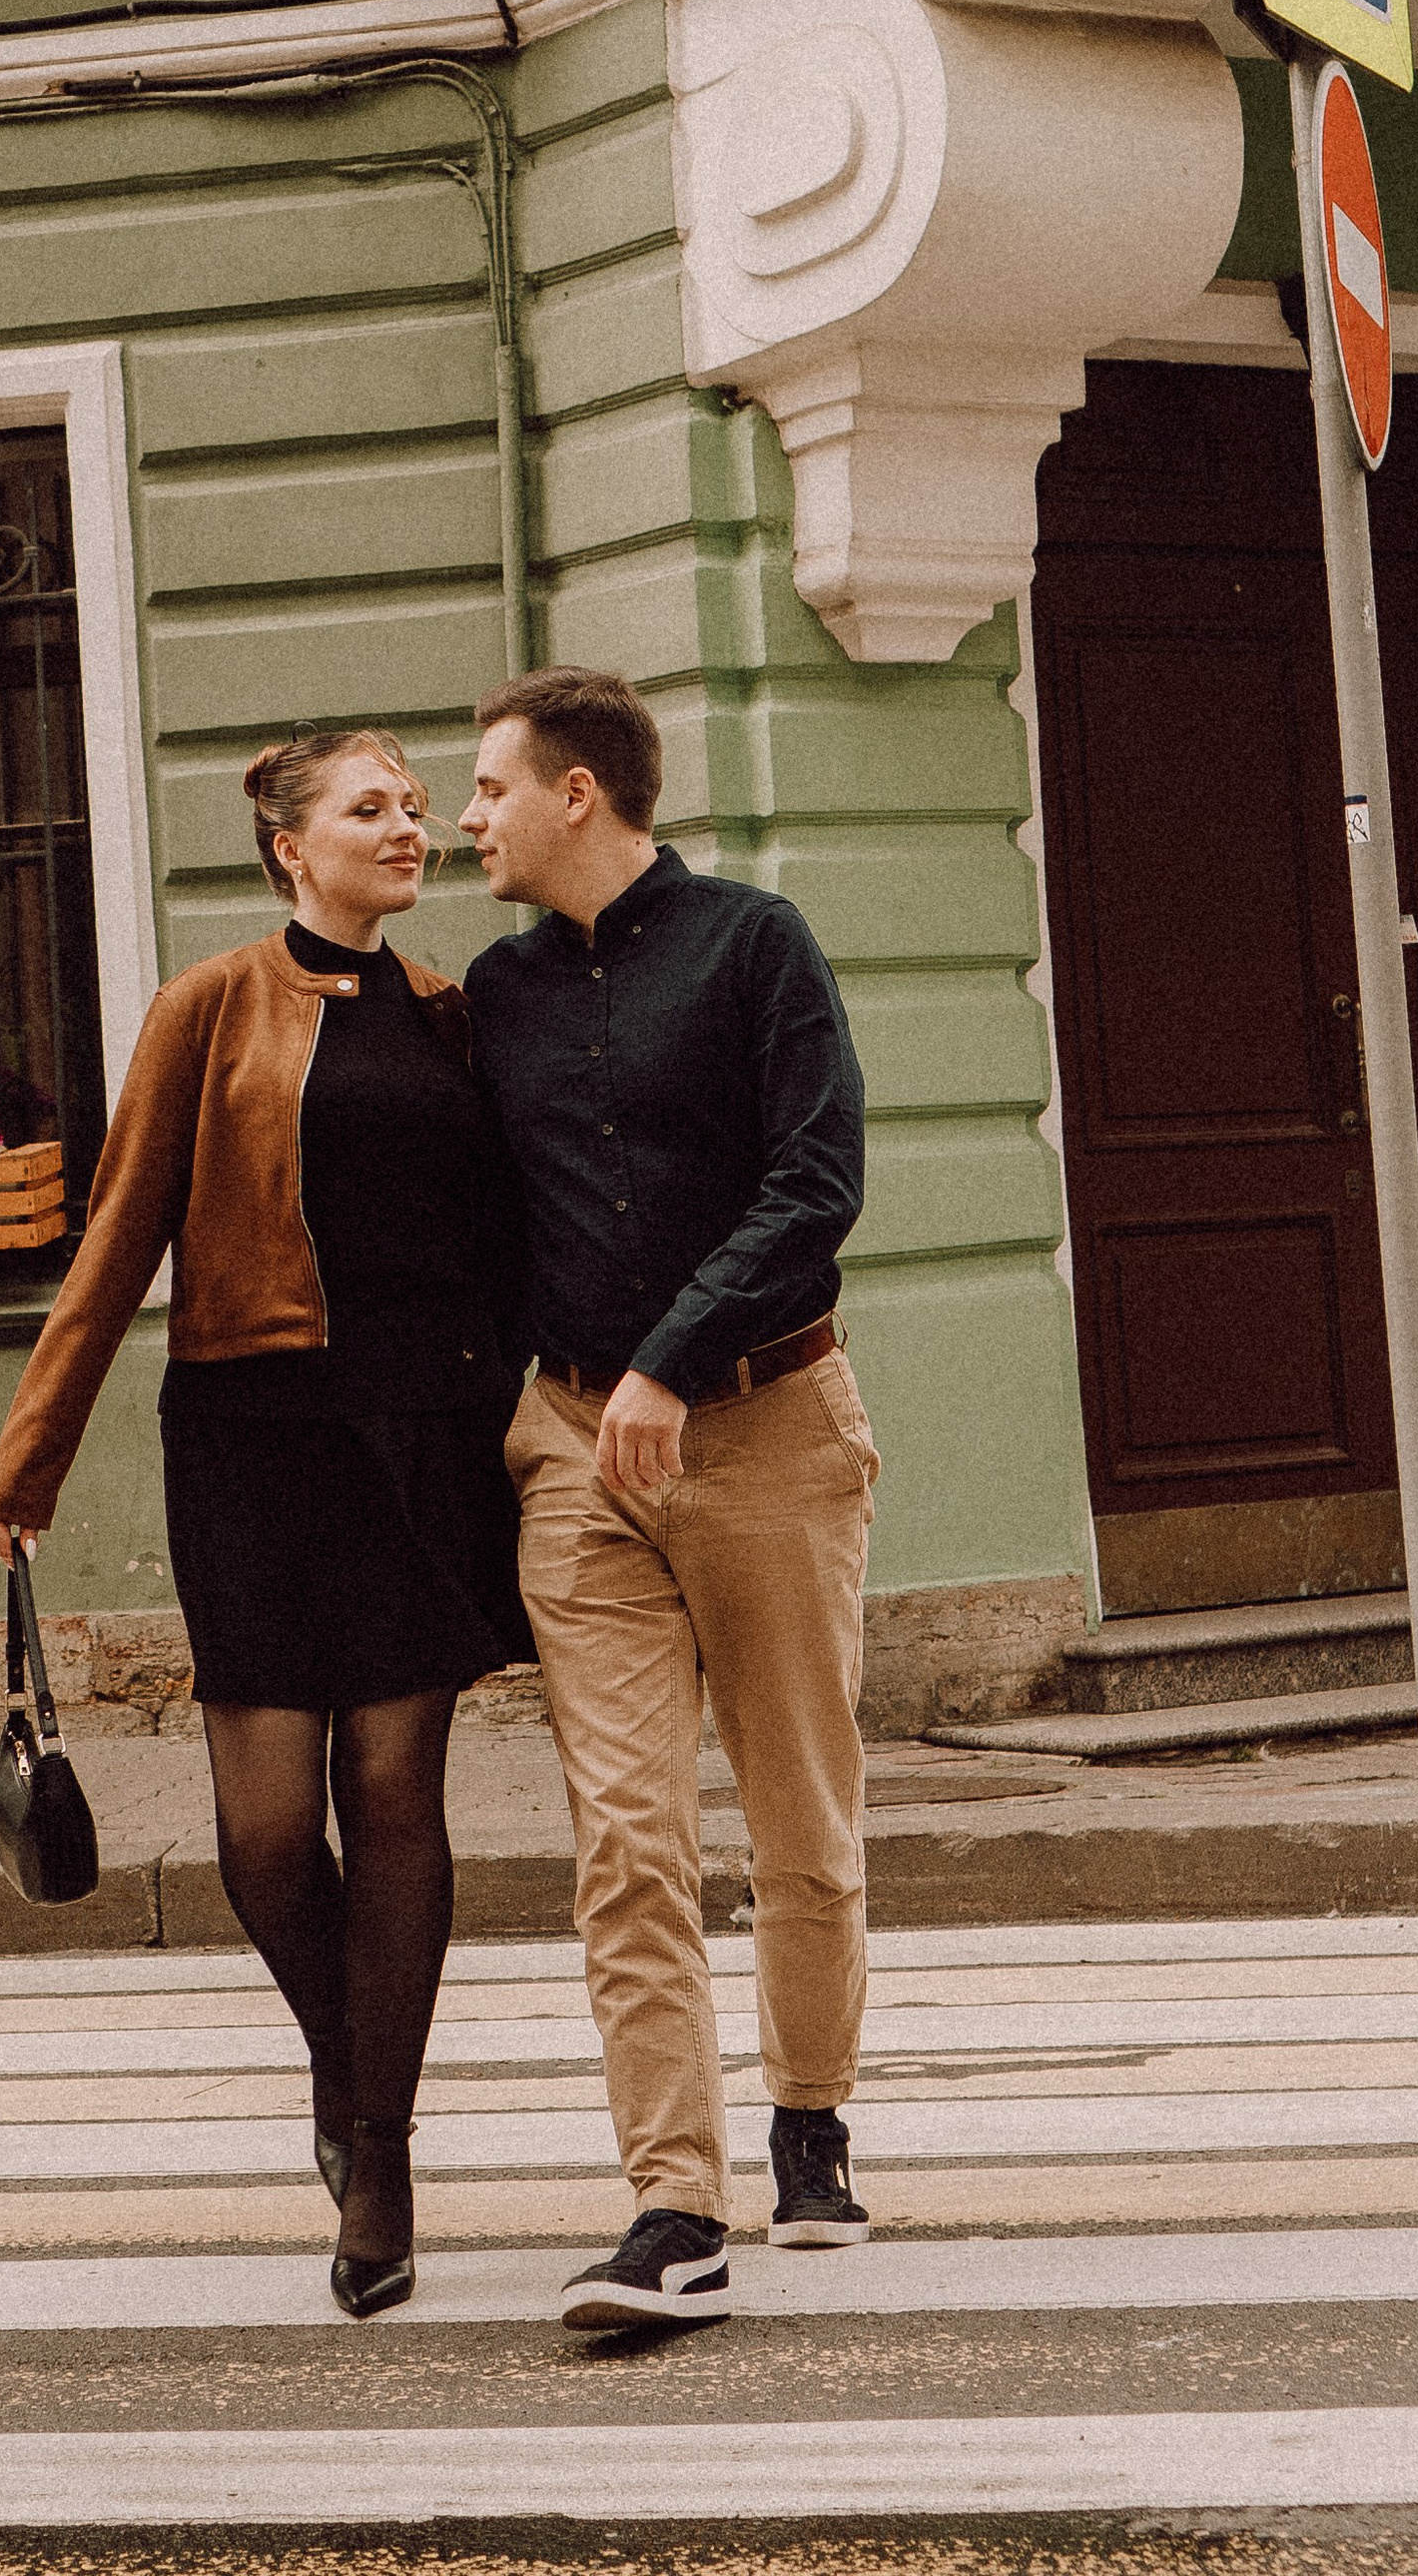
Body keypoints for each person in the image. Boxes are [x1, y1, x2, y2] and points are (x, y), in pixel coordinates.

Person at [0, 725, 526, 2321]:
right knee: (270, 1837)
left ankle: (387, 2156)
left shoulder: (452, 1015)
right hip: (252, 1440)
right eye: (374, 809)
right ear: (295, 846)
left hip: (422, 1441)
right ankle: (346, 2071)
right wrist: (31, 1463)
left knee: (393, 1792)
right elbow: (117, 1237)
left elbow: (503, 1240)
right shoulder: (209, 1007)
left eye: (419, 807)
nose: (411, 827)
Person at [458, 665, 875, 2332]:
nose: (465, 818)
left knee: (800, 1820)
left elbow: (818, 1178)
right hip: (575, 1452)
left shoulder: (756, 944)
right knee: (627, 1839)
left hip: (767, 1430)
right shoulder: (493, 994)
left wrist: (674, 1358)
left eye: (488, 788)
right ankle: (671, 2203)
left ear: (578, 794)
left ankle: (813, 2123)